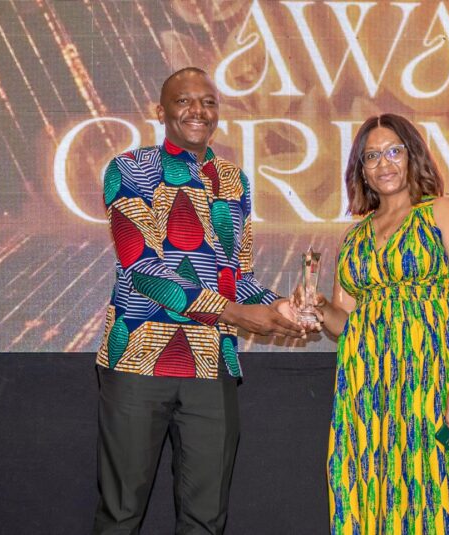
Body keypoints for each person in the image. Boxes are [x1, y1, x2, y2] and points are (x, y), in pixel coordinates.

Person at [93, 67, 304, 534]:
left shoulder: (234, 180)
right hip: (137, 363)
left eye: (208, 102)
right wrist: (238, 314)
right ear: (161, 111)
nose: (198, 111)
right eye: (184, 100)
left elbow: (237, 277)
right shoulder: (129, 168)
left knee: (206, 519)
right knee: (121, 514)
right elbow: (143, 269)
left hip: (212, 366)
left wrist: (280, 307)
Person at [294, 114, 449, 533]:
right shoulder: (354, 237)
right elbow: (344, 324)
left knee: (444, 491)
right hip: (373, 389)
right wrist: (318, 306)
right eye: (372, 156)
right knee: (381, 493)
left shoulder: (441, 212)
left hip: (439, 375)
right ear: (361, 170)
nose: (384, 163)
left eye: (394, 151)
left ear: (413, 156)